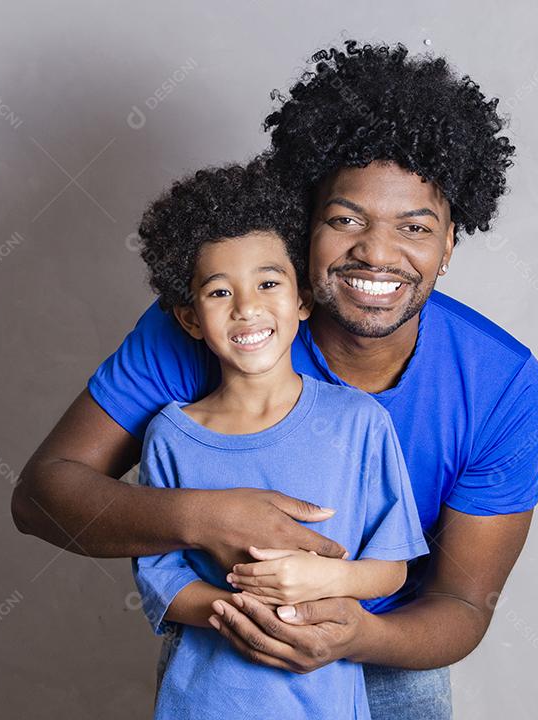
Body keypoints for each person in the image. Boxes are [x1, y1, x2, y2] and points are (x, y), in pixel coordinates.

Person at [13, 40, 538, 719]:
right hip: (224, 652)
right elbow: (41, 497)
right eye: (345, 219)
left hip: (392, 661)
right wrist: (206, 518)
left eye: (414, 227)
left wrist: (359, 634)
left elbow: (464, 604)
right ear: (304, 230)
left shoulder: (502, 384)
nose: (377, 252)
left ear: (448, 245)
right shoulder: (217, 325)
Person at [130, 160, 427, 719]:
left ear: (302, 301)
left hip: (323, 702)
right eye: (219, 292)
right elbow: (160, 580)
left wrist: (323, 579)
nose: (247, 307)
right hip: (204, 704)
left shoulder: (358, 422)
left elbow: (392, 565)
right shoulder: (170, 435)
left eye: (269, 283)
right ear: (191, 318)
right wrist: (250, 608)